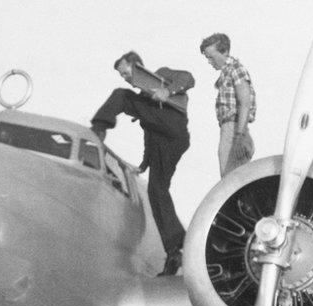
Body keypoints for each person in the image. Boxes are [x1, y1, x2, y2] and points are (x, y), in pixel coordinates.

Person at [90, 51, 193, 276]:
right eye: (122, 75)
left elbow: (188, 77)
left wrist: (168, 90)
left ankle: (98, 128)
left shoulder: (162, 75)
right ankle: (176, 249)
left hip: (173, 128)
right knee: (157, 192)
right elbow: (150, 135)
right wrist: (144, 164)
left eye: (127, 72)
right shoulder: (147, 102)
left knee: (121, 96)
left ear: (137, 66)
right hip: (166, 143)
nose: (126, 78)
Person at [200, 33, 256, 176]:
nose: (209, 61)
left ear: (224, 51)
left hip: (234, 128)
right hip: (230, 129)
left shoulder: (236, 69)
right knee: (230, 181)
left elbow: (245, 102)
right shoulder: (226, 73)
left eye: (211, 57)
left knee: (232, 183)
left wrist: (239, 136)